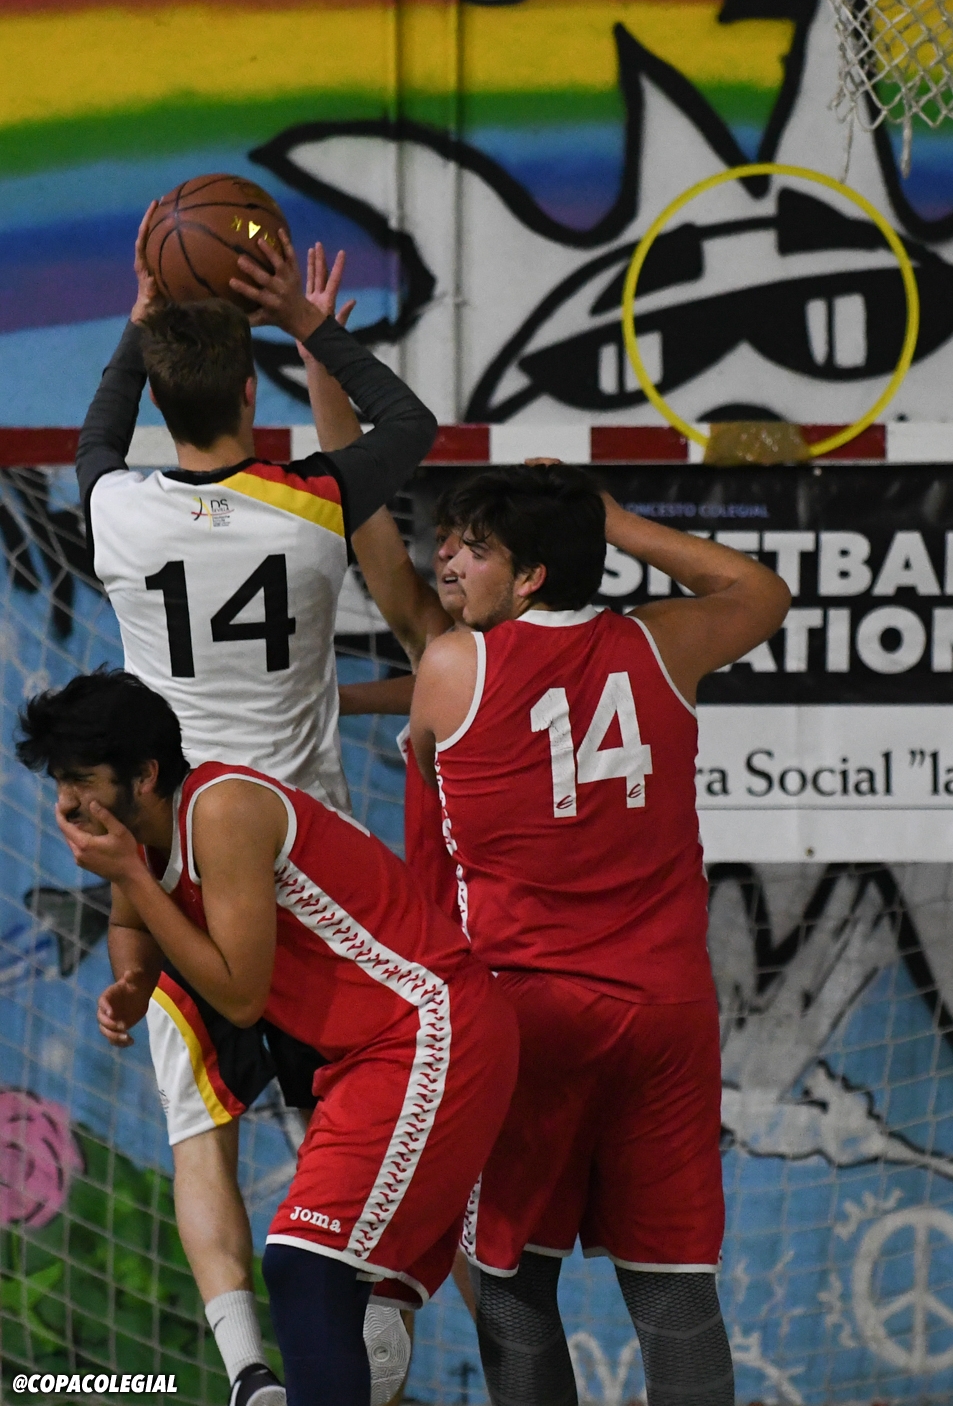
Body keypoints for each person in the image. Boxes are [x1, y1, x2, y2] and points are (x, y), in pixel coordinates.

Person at [75, 212, 438, 1405]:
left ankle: (246, 1372)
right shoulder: (315, 501)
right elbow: (409, 429)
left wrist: (137, 327)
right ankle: (375, 1296)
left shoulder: (117, 510)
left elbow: (96, 442)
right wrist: (308, 322)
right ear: (249, 387)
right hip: (307, 865)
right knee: (358, 1098)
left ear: (160, 396)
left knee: (200, 1135)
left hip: (181, 855)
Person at [16, 669, 519, 1406]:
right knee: (360, 1314)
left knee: (305, 1264)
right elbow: (130, 923)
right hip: (370, 1057)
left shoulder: (222, 810)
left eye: (82, 781)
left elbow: (241, 997)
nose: (66, 803)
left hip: (430, 1028)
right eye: (61, 782)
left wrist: (131, 875)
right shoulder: (138, 838)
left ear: (145, 776)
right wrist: (131, 982)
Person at [407, 464, 791, 1406]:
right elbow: (760, 592)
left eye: (475, 550)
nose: (449, 562)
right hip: (666, 1014)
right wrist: (615, 521)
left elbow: (424, 763)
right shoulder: (660, 644)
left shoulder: (454, 666)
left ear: (529, 575)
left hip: (530, 1015)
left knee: (509, 1285)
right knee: (673, 1291)